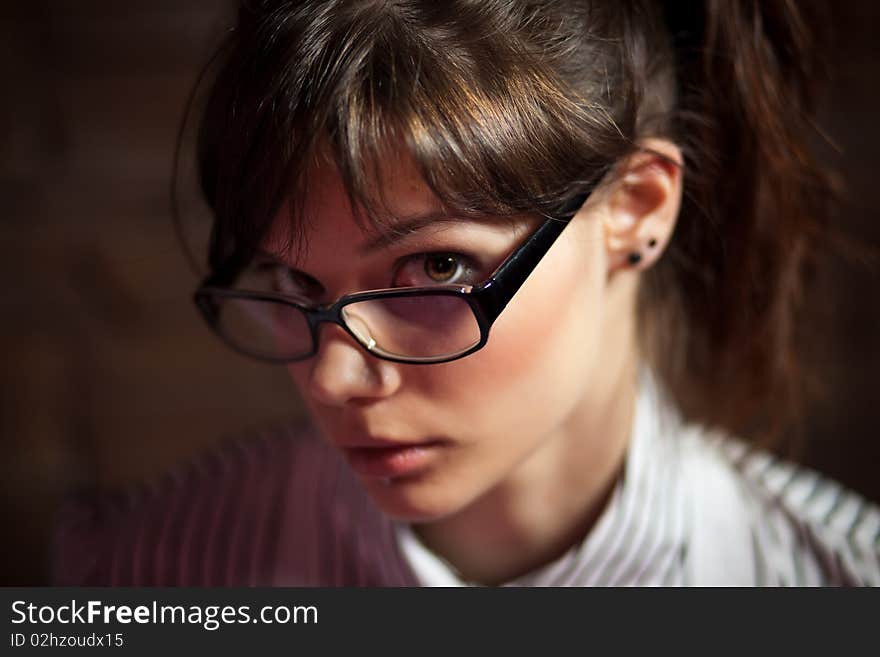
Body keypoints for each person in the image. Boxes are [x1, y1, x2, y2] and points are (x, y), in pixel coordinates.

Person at [53, 0, 879, 586]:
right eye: (294, 280)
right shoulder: (145, 575)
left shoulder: (834, 582)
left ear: (633, 208)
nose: (334, 379)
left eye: (436, 268)